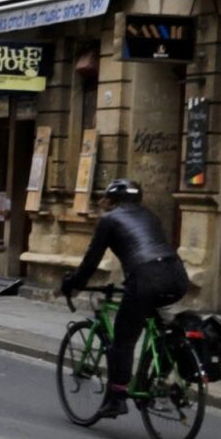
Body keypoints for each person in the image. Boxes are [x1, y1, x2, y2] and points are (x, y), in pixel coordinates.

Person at [60, 178, 190, 417]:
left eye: (106, 199)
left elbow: (91, 260)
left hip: (145, 278)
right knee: (154, 322)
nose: (104, 203)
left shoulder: (109, 220)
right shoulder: (150, 216)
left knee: (124, 339)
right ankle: (157, 377)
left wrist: (73, 284)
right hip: (177, 276)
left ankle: (117, 397)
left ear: (113, 200)